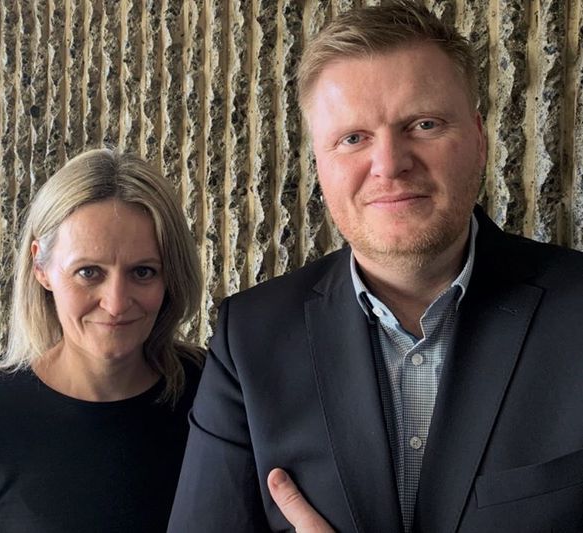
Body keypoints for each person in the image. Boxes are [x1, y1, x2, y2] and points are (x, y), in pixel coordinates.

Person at [168, 2, 583, 532]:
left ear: (479, 139)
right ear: (320, 163)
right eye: (353, 138)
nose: (389, 164)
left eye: (424, 125)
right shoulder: (248, 339)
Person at [0, 148, 204, 532]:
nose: (116, 303)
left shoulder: (216, 398)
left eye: (143, 272)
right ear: (41, 266)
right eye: (89, 272)